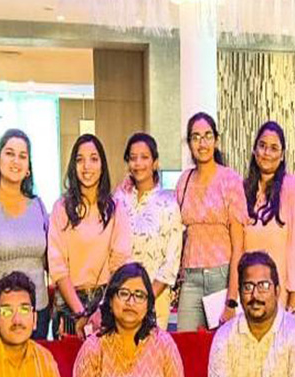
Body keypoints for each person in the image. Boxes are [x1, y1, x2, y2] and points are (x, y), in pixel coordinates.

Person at [0, 129, 50, 343]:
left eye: (23, 156)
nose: (16, 161)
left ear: (28, 167)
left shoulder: (38, 206)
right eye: (10, 153)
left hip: (37, 314)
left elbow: (49, 261)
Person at [48, 134, 132, 338]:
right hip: (68, 303)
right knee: (67, 367)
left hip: (105, 303)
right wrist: (79, 312)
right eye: (80, 159)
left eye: (94, 159)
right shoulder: (61, 208)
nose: (87, 166)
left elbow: (120, 263)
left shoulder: (115, 208)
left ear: (102, 165)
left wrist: (100, 309)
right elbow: (57, 265)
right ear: (73, 166)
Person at [176, 112, 249, 331]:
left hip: (222, 276)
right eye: (196, 137)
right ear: (189, 143)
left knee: (221, 353)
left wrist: (232, 299)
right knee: (186, 346)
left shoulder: (230, 180)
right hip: (190, 278)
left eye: (207, 136)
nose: (202, 142)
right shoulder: (184, 180)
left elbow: (239, 247)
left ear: (216, 140)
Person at [113, 133, 184, 330]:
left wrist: (146, 298)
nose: (138, 163)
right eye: (133, 158)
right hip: (121, 298)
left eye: (144, 157)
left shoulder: (168, 202)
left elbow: (172, 260)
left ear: (155, 162)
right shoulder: (119, 199)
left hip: (154, 297)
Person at [242, 121, 295, 315]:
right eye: (262, 146)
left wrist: (294, 301)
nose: (266, 153)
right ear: (254, 150)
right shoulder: (243, 190)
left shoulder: (294, 190)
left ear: (282, 155)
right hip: (248, 300)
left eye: (274, 148)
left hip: (282, 302)